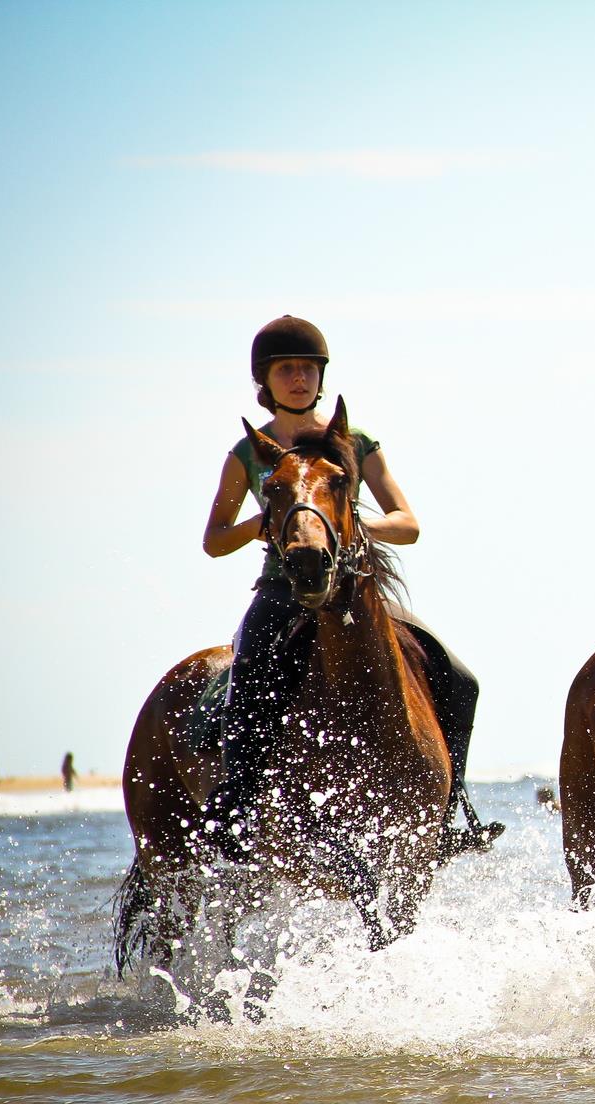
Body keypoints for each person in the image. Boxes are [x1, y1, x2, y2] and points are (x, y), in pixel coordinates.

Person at [199, 315, 497, 861]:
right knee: (250, 671)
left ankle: (454, 811)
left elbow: (407, 522)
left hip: (354, 587)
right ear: (264, 380)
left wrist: (349, 526)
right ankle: (236, 807)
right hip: (282, 589)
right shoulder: (249, 455)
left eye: (308, 369)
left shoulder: (354, 442)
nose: (299, 379)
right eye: (286, 369)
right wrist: (263, 524)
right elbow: (214, 540)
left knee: (460, 677)